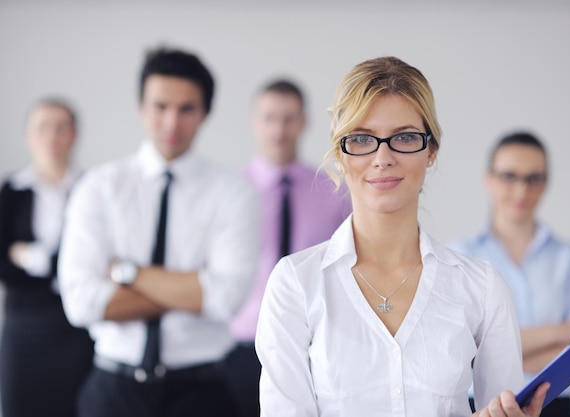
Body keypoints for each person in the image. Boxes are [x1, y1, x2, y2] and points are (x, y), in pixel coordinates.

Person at [255, 56, 550, 417]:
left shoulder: (482, 287)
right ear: (339, 153)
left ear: (431, 150)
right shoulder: (295, 284)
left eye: (405, 137)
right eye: (362, 139)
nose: (383, 157)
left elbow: (503, 405)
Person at [57, 47, 260, 417]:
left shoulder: (234, 192)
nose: (171, 122)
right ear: (140, 107)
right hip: (112, 389)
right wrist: (193, 288)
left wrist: (126, 274)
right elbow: (80, 302)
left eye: (186, 109)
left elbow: (226, 297)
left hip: (202, 392)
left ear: (205, 113)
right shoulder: (98, 187)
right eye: (160, 106)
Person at [449, 132, 570, 417]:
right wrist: (562, 333)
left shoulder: (569, 257)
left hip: (557, 407)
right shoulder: (458, 257)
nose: (521, 190)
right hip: (483, 409)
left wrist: (493, 351)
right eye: (509, 176)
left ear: (545, 183)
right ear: (489, 179)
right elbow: (462, 354)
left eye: (533, 178)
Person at [227, 79, 350, 417]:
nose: (279, 129)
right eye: (269, 118)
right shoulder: (231, 192)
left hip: (311, 344)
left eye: (288, 118)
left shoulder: (334, 190)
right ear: (255, 122)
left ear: (304, 122)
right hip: (240, 345)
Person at [0, 98, 94, 417]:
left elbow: (95, 258)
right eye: (43, 128)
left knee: (75, 405)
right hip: (25, 324)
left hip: (77, 325)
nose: (52, 136)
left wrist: (31, 256)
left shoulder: (91, 188)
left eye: (61, 128)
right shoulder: (11, 191)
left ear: (74, 134)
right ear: (29, 136)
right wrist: (60, 262)